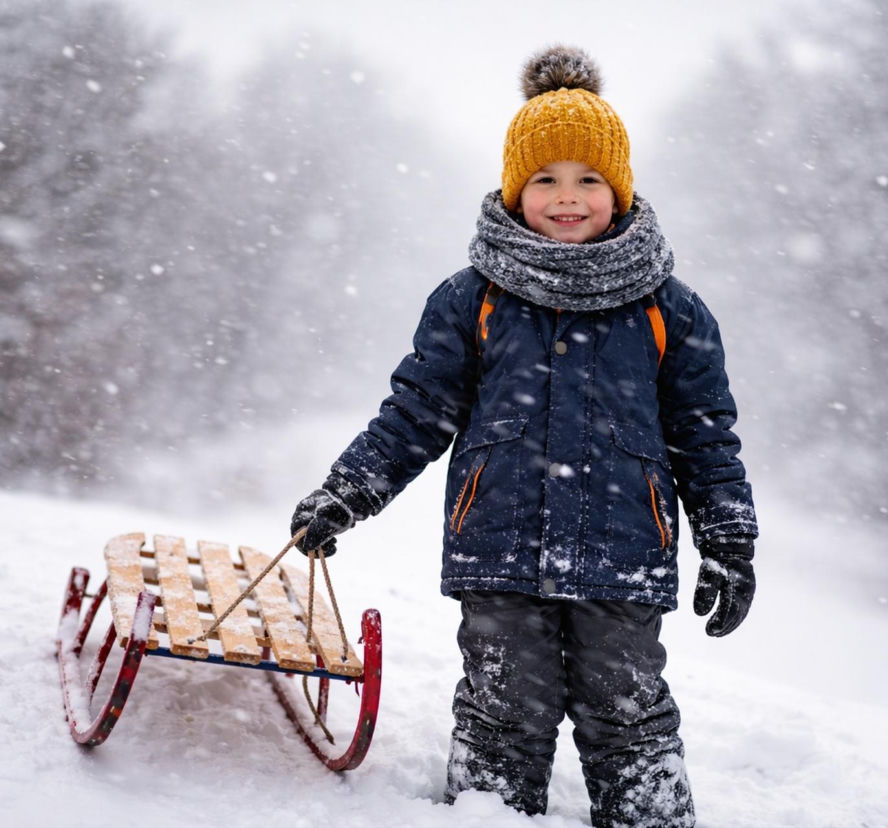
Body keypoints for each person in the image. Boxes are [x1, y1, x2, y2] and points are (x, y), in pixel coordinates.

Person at [291, 45, 758, 828]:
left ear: (620, 189)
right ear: (515, 189)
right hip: (498, 551)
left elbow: (705, 436)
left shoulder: (669, 309)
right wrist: (349, 490)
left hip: (622, 555)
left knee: (629, 717)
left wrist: (730, 540)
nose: (566, 198)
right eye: (544, 178)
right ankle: (490, 813)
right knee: (501, 714)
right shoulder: (472, 299)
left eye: (588, 180)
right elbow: (415, 412)